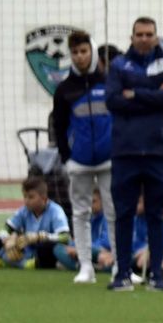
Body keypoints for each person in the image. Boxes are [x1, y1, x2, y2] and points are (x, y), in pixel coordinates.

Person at [105, 16, 163, 292]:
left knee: (155, 215)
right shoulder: (118, 65)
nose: (144, 38)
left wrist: (133, 94)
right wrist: (152, 95)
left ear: (156, 36)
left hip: (159, 151)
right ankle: (122, 273)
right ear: (131, 36)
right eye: (140, 34)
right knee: (123, 213)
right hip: (125, 151)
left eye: (149, 34)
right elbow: (113, 101)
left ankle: (156, 276)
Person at [50, 30, 116, 285]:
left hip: (109, 159)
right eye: (75, 52)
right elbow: (58, 125)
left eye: (84, 51)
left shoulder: (110, 83)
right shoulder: (64, 90)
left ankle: (119, 265)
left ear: (92, 51)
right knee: (80, 213)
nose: (79, 57)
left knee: (114, 212)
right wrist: (67, 157)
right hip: (79, 162)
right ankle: (86, 266)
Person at [0, 177, 73, 269]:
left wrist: (40, 237)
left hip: (42, 249)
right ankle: (27, 263)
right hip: (27, 249)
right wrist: (7, 240)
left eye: (31, 197)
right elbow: (6, 228)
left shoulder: (56, 211)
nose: (26, 201)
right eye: (25, 196)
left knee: (46, 249)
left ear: (44, 198)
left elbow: (65, 237)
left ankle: (8, 260)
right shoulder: (24, 211)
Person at [64, 188, 116, 274]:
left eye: (94, 201)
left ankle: (80, 266)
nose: (90, 205)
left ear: (103, 201)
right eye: (88, 202)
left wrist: (81, 248)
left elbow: (106, 243)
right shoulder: (89, 218)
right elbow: (78, 240)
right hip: (90, 252)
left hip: (101, 252)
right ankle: (87, 266)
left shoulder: (107, 218)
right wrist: (74, 246)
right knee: (58, 248)